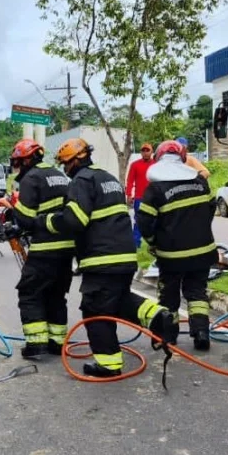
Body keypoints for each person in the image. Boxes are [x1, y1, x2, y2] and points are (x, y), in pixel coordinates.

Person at [49, 138, 176, 377]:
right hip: (124, 256)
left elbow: (75, 220)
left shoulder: (81, 180)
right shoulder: (108, 178)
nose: (65, 170)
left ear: (75, 161)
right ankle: (158, 316)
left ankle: (108, 364)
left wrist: (49, 222)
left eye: (65, 165)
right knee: (116, 300)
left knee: (95, 309)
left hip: (101, 259)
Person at [136, 140, 218, 351]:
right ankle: (201, 333)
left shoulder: (155, 189)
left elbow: (144, 222)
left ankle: (168, 337)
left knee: (169, 296)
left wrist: (153, 243)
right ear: (183, 158)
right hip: (203, 252)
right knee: (197, 292)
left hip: (171, 255)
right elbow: (210, 210)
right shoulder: (201, 183)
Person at [8, 139, 75, 357]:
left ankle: (36, 344)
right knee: (56, 294)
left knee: (30, 292)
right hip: (67, 249)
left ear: (27, 159)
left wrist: (13, 209)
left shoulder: (31, 178)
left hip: (46, 247)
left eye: (18, 162)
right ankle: (57, 343)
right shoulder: (58, 174)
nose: (17, 167)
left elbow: (26, 220)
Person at [126, 143, 154, 248]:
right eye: (143, 150)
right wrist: (129, 195)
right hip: (139, 197)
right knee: (138, 220)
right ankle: (136, 243)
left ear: (151, 152)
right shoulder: (135, 165)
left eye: (148, 150)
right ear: (141, 152)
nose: (145, 152)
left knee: (154, 220)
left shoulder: (156, 164)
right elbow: (130, 181)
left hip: (153, 197)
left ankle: (154, 243)